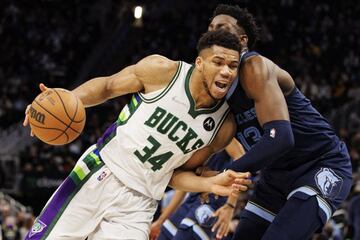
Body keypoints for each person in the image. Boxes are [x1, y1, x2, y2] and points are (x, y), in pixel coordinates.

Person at [22, 29, 252, 239]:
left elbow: (176, 175)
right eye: (218, 62)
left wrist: (210, 184)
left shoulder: (223, 126)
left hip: (140, 206)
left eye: (232, 66)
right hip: (101, 173)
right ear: (200, 63)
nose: (226, 71)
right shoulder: (163, 72)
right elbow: (107, 87)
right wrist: (62, 102)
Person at [207, 4, 353, 240]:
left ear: (242, 40)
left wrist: (228, 171)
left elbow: (281, 139)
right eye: (210, 27)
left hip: (320, 164)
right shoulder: (216, 87)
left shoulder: (254, 66)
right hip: (276, 175)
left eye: (222, 27)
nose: (213, 32)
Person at [151, 138, 245, 240]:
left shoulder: (226, 129)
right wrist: (161, 220)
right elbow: (184, 184)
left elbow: (242, 162)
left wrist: (230, 204)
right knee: (164, 234)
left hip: (215, 200)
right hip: (194, 195)